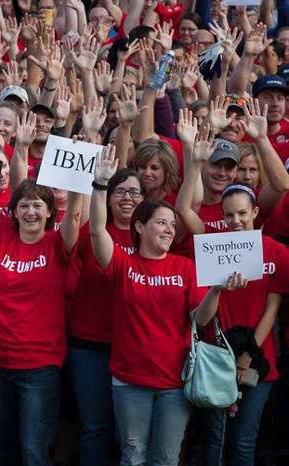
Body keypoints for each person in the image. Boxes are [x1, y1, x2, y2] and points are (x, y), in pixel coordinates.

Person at [89, 144, 246, 465]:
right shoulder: (123, 262)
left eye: (172, 225)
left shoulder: (185, 267)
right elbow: (95, 232)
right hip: (129, 380)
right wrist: (99, 186)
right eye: (161, 223)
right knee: (132, 455)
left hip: (175, 381)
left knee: (166, 458)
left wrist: (215, 290)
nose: (169, 229)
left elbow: (200, 318)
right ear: (139, 226)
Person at [0, 123, 83, 466]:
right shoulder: (3, 233)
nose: (30, 211)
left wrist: (79, 167)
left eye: (38, 206)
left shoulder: (57, 243)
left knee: (34, 451)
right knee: (3, 448)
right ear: (14, 211)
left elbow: (76, 215)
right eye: (24, 206)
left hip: (39, 367)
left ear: (50, 213)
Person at [177, 130, 289, 466]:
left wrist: (245, 358)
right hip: (214, 358)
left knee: (243, 441)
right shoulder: (212, 242)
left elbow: (272, 310)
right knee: (214, 440)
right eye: (229, 215)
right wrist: (194, 161)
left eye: (242, 213)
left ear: (256, 212)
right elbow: (183, 208)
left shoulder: (277, 253)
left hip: (258, 359)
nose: (235, 221)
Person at [66, 167, 147, 466]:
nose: (127, 198)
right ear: (108, 199)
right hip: (90, 345)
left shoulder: (152, 235)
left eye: (134, 192)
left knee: (129, 434)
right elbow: (91, 218)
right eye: (120, 192)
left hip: (133, 348)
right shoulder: (92, 231)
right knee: (94, 428)